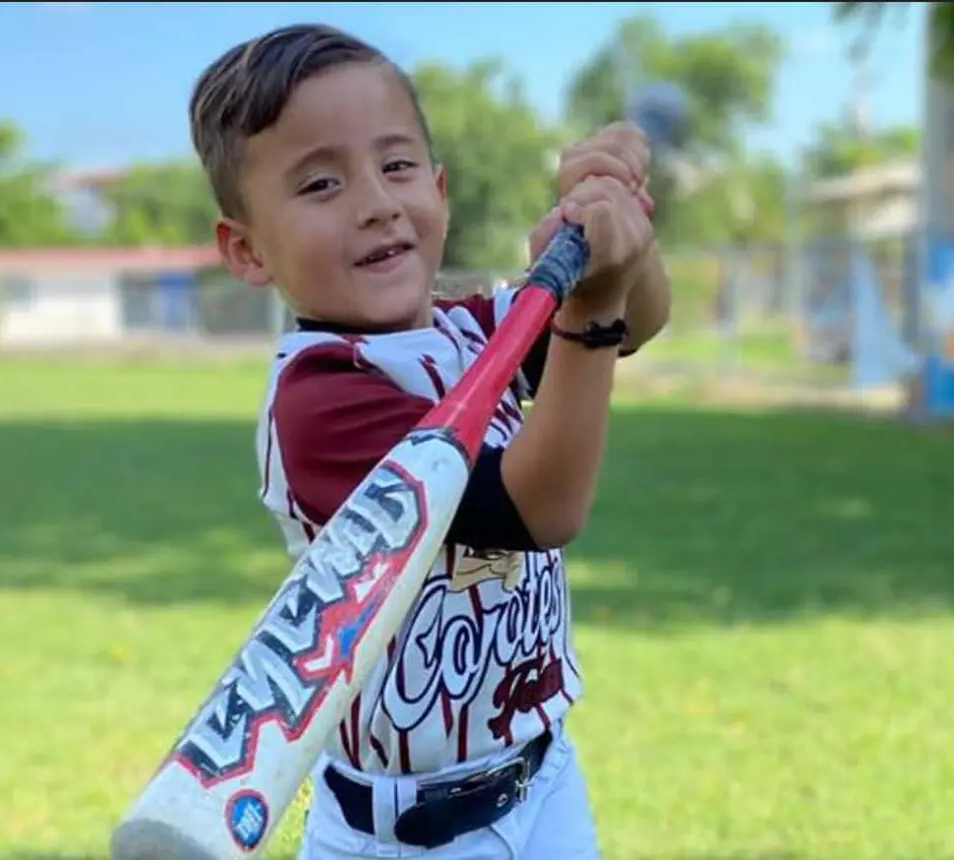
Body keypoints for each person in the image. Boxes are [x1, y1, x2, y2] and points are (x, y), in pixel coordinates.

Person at [188, 22, 672, 860]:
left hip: (542, 779)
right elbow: (538, 508)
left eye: (398, 165)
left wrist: (612, 225)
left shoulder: (470, 329)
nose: (376, 200)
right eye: (320, 184)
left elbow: (641, 321)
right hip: (409, 834)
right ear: (246, 248)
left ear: (440, 191)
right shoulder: (318, 400)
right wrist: (589, 311)